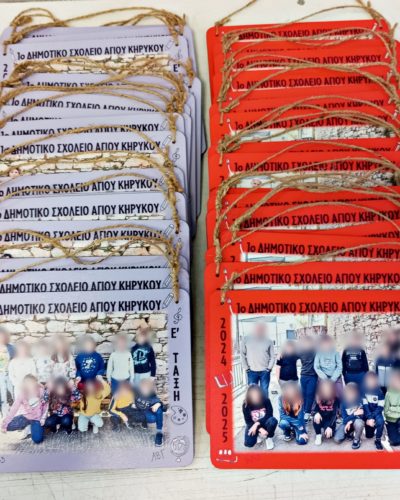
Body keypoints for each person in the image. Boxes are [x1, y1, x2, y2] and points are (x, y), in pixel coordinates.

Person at [1, 374, 47, 444]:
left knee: (37, 440)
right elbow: (14, 408)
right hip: (26, 416)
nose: (31, 385)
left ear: (36, 383)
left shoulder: (41, 390)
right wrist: (5, 424)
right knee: (8, 426)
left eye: (32, 383)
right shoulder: (22, 394)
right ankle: (25, 426)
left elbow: (46, 405)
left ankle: (35, 427)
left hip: (37, 418)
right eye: (28, 384)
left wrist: (43, 418)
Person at [240, 322, 275, 396]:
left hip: (265, 372)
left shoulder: (269, 341)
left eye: (262, 329)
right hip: (251, 372)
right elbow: (242, 355)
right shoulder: (246, 339)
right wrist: (246, 368)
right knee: (252, 394)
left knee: (264, 393)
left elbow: (272, 356)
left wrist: (269, 369)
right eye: (258, 328)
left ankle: (264, 404)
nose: (260, 330)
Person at [242, 384, 277, 450]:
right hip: (253, 424)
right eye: (252, 395)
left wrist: (257, 423)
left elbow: (269, 415)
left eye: (257, 394)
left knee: (273, 421)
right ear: (249, 395)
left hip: (265, 422)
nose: (255, 396)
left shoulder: (266, 400)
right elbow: (248, 421)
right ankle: (258, 434)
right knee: (249, 443)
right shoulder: (245, 404)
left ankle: (268, 437)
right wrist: (259, 428)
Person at [334, 382, 365, 449]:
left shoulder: (359, 401)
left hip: (355, 422)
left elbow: (361, 416)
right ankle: (349, 433)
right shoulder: (343, 403)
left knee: (359, 422)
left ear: (356, 393)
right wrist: (354, 414)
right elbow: (344, 420)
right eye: (349, 393)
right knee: (337, 439)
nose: (351, 395)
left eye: (352, 393)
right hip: (346, 423)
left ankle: (357, 439)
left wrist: (351, 421)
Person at [135, 377, 165, 447]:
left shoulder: (152, 396)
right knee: (155, 413)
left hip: (148, 414)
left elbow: (163, 407)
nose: (144, 389)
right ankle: (144, 422)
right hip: (140, 414)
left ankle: (159, 434)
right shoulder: (136, 394)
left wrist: (158, 404)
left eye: (146, 388)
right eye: (142, 387)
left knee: (159, 410)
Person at [362, 371, 385, 450]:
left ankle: (378, 440)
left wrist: (372, 416)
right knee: (369, 436)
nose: (370, 382)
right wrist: (369, 417)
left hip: (376, 413)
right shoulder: (364, 390)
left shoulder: (380, 392)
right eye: (369, 380)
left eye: (372, 380)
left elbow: (380, 407)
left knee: (381, 421)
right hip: (367, 413)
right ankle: (372, 426)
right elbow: (365, 405)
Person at [312, 379, 339, 446]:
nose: (326, 391)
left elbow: (335, 415)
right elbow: (313, 410)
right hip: (320, 419)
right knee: (316, 417)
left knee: (329, 436)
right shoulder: (317, 397)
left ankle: (329, 429)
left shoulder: (335, 398)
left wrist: (329, 426)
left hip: (329, 420)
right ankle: (318, 435)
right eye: (324, 389)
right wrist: (316, 413)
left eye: (328, 389)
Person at [298, 336, 318, 421]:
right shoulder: (301, 352)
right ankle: (304, 411)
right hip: (303, 375)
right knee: (304, 394)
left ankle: (307, 412)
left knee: (310, 393)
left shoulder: (315, 352)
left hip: (313, 376)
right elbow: (291, 356)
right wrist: (281, 353)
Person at [0, 328, 15, 416]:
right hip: (0, 375)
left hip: (10, 374)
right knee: (2, 394)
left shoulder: (11, 347)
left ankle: (13, 413)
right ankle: (4, 414)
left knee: (13, 393)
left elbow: (15, 360)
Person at [384, 370, 400, 446]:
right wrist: (397, 409)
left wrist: (393, 408)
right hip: (391, 420)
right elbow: (386, 411)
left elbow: (390, 409)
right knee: (394, 442)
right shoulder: (388, 393)